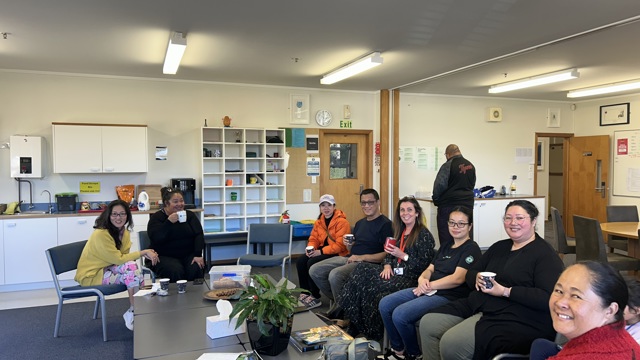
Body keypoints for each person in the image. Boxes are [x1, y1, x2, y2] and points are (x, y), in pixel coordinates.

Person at [420, 199, 564, 359]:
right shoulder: (499, 247)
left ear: (533, 221)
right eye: (508, 218)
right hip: (482, 303)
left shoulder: (545, 254)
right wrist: (477, 278)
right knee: (428, 323)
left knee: (452, 343)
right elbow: (471, 272)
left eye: (519, 218)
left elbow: (548, 297)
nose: (513, 222)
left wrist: (505, 291)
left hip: (520, 315)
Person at [376, 206, 481, 360]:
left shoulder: (471, 249)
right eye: (452, 223)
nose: (455, 227)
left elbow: (457, 279)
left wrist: (429, 286)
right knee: (385, 303)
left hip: (448, 295)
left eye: (461, 224)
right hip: (427, 288)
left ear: (469, 226)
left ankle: (414, 354)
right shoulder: (446, 245)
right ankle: (398, 350)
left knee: (400, 314)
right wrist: (422, 279)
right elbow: (429, 269)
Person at [339, 196, 436, 340]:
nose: (405, 213)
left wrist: (403, 256)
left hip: (410, 278)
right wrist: (387, 265)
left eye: (409, 210)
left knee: (370, 289)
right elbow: (389, 254)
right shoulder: (399, 231)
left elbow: (425, 266)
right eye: (402, 210)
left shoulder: (424, 235)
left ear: (417, 213)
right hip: (393, 272)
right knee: (361, 270)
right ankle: (354, 321)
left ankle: (368, 330)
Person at [75, 199, 159, 331]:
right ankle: (138, 312)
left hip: (109, 269)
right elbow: (119, 259)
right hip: (93, 275)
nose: (118, 218)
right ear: (108, 215)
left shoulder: (124, 232)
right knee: (134, 271)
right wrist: (143, 252)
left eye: (122, 214)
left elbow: (123, 258)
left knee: (133, 270)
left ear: (127, 216)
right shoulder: (101, 234)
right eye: (114, 214)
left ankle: (135, 311)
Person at [309, 189, 393, 319]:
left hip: (368, 264)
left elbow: (388, 255)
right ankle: (345, 303)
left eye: (370, 202)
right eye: (363, 203)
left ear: (378, 202)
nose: (366, 206)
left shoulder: (386, 225)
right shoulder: (360, 223)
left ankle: (341, 314)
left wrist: (360, 257)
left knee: (335, 275)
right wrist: (348, 244)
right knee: (315, 270)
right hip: (350, 258)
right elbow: (353, 247)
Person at [533, 261, 640, 359]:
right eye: (559, 291)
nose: (560, 302)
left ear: (610, 311)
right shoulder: (623, 341)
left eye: (576, 296)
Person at [296, 194, 351, 309]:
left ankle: (314, 295)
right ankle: (305, 292)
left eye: (329, 205)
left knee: (311, 262)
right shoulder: (318, 222)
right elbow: (313, 239)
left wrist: (320, 252)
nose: (326, 208)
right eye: (323, 205)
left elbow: (340, 246)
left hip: (338, 253)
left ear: (334, 206)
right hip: (323, 250)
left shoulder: (342, 222)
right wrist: (310, 249)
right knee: (301, 261)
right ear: (320, 207)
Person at [147, 187, 205, 282]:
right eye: (175, 201)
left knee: (196, 267)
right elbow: (156, 238)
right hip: (163, 256)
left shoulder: (189, 215)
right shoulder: (157, 218)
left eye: (181, 201)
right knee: (175, 270)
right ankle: (177, 295)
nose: (180, 204)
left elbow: (199, 235)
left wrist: (198, 254)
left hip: (187, 255)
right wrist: (168, 222)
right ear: (166, 203)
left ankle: (195, 296)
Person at [432, 144, 475, 249]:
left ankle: (447, 260)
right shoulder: (471, 165)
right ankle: (467, 259)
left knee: (447, 236)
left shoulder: (448, 165)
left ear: (447, 154)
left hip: (448, 206)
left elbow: (439, 185)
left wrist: (437, 200)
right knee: (465, 233)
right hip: (467, 205)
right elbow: (472, 184)